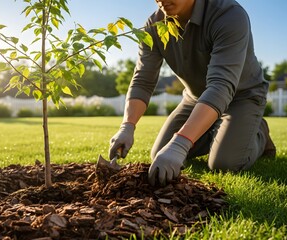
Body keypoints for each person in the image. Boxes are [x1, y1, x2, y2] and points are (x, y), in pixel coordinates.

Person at [108, 0, 276, 186]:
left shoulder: (229, 15)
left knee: (224, 163)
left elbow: (221, 85)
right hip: (195, 98)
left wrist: (181, 143)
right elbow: (143, 80)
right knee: (159, 154)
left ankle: (258, 131)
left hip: (241, 97)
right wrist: (128, 126)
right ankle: (219, 129)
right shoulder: (153, 26)